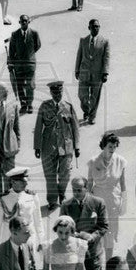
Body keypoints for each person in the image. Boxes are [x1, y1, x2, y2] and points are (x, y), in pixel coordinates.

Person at [34, 81, 80, 209]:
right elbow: (38, 127)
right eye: (54, 93)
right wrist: (37, 146)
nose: (57, 95)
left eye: (59, 92)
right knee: (50, 175)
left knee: (66, 174)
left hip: (66, 146)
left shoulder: (68, 107)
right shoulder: (44, 106)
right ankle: (52, 200)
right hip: (48, 146)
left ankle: (62, 194)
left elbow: (75, 127)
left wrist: (77, 147)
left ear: (62, 92)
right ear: (50, 93)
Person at [86, 132, 128, 262]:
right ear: (103, 146)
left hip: (113, 200)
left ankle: (108, 262)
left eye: (115, 146)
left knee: (110, 232)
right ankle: (97, 259)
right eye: (110, 146)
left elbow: (123, 184)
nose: (112, 149)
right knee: (98, 230)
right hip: (97, 199)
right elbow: (89, 183)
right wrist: (87, 202)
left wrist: (124, 202)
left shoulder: (120, 161)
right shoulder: (93, 161)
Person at [0, 167, 46, 253]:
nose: (26, 183)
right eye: (23, 181)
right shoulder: (2, 199)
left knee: (29, 263)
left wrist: (41, 241)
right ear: (13, 182)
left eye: (26, 180)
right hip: (10, 238)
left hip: (29, 237)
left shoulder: (32, 196)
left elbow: (38, 220)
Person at [74, 19, 110, 125]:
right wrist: (77, 70)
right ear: (89, 28)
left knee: (95, 96)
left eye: (97, 26)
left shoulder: (104, 42)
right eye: (93, 26)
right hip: (84, 73)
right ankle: (86, 111)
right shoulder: (83, 40)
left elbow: (106, 58)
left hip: (97, 74)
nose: (95, 28)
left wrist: (105, 73)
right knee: (82, 95)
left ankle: (92, 116)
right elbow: (79, 56)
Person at [7, 15, 41, 114]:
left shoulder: (34, 33)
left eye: (25, 21)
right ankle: (23, 105)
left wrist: (29, 54)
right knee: (20, 85)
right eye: (22, 21)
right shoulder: (15, 34)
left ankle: (30, 105)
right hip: (18, 65)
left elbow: (37, 45)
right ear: (19, 23)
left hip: (30, 64)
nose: (24, 23)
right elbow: (12, 50)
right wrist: (11, 64)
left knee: (30, 85)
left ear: (29, 22)